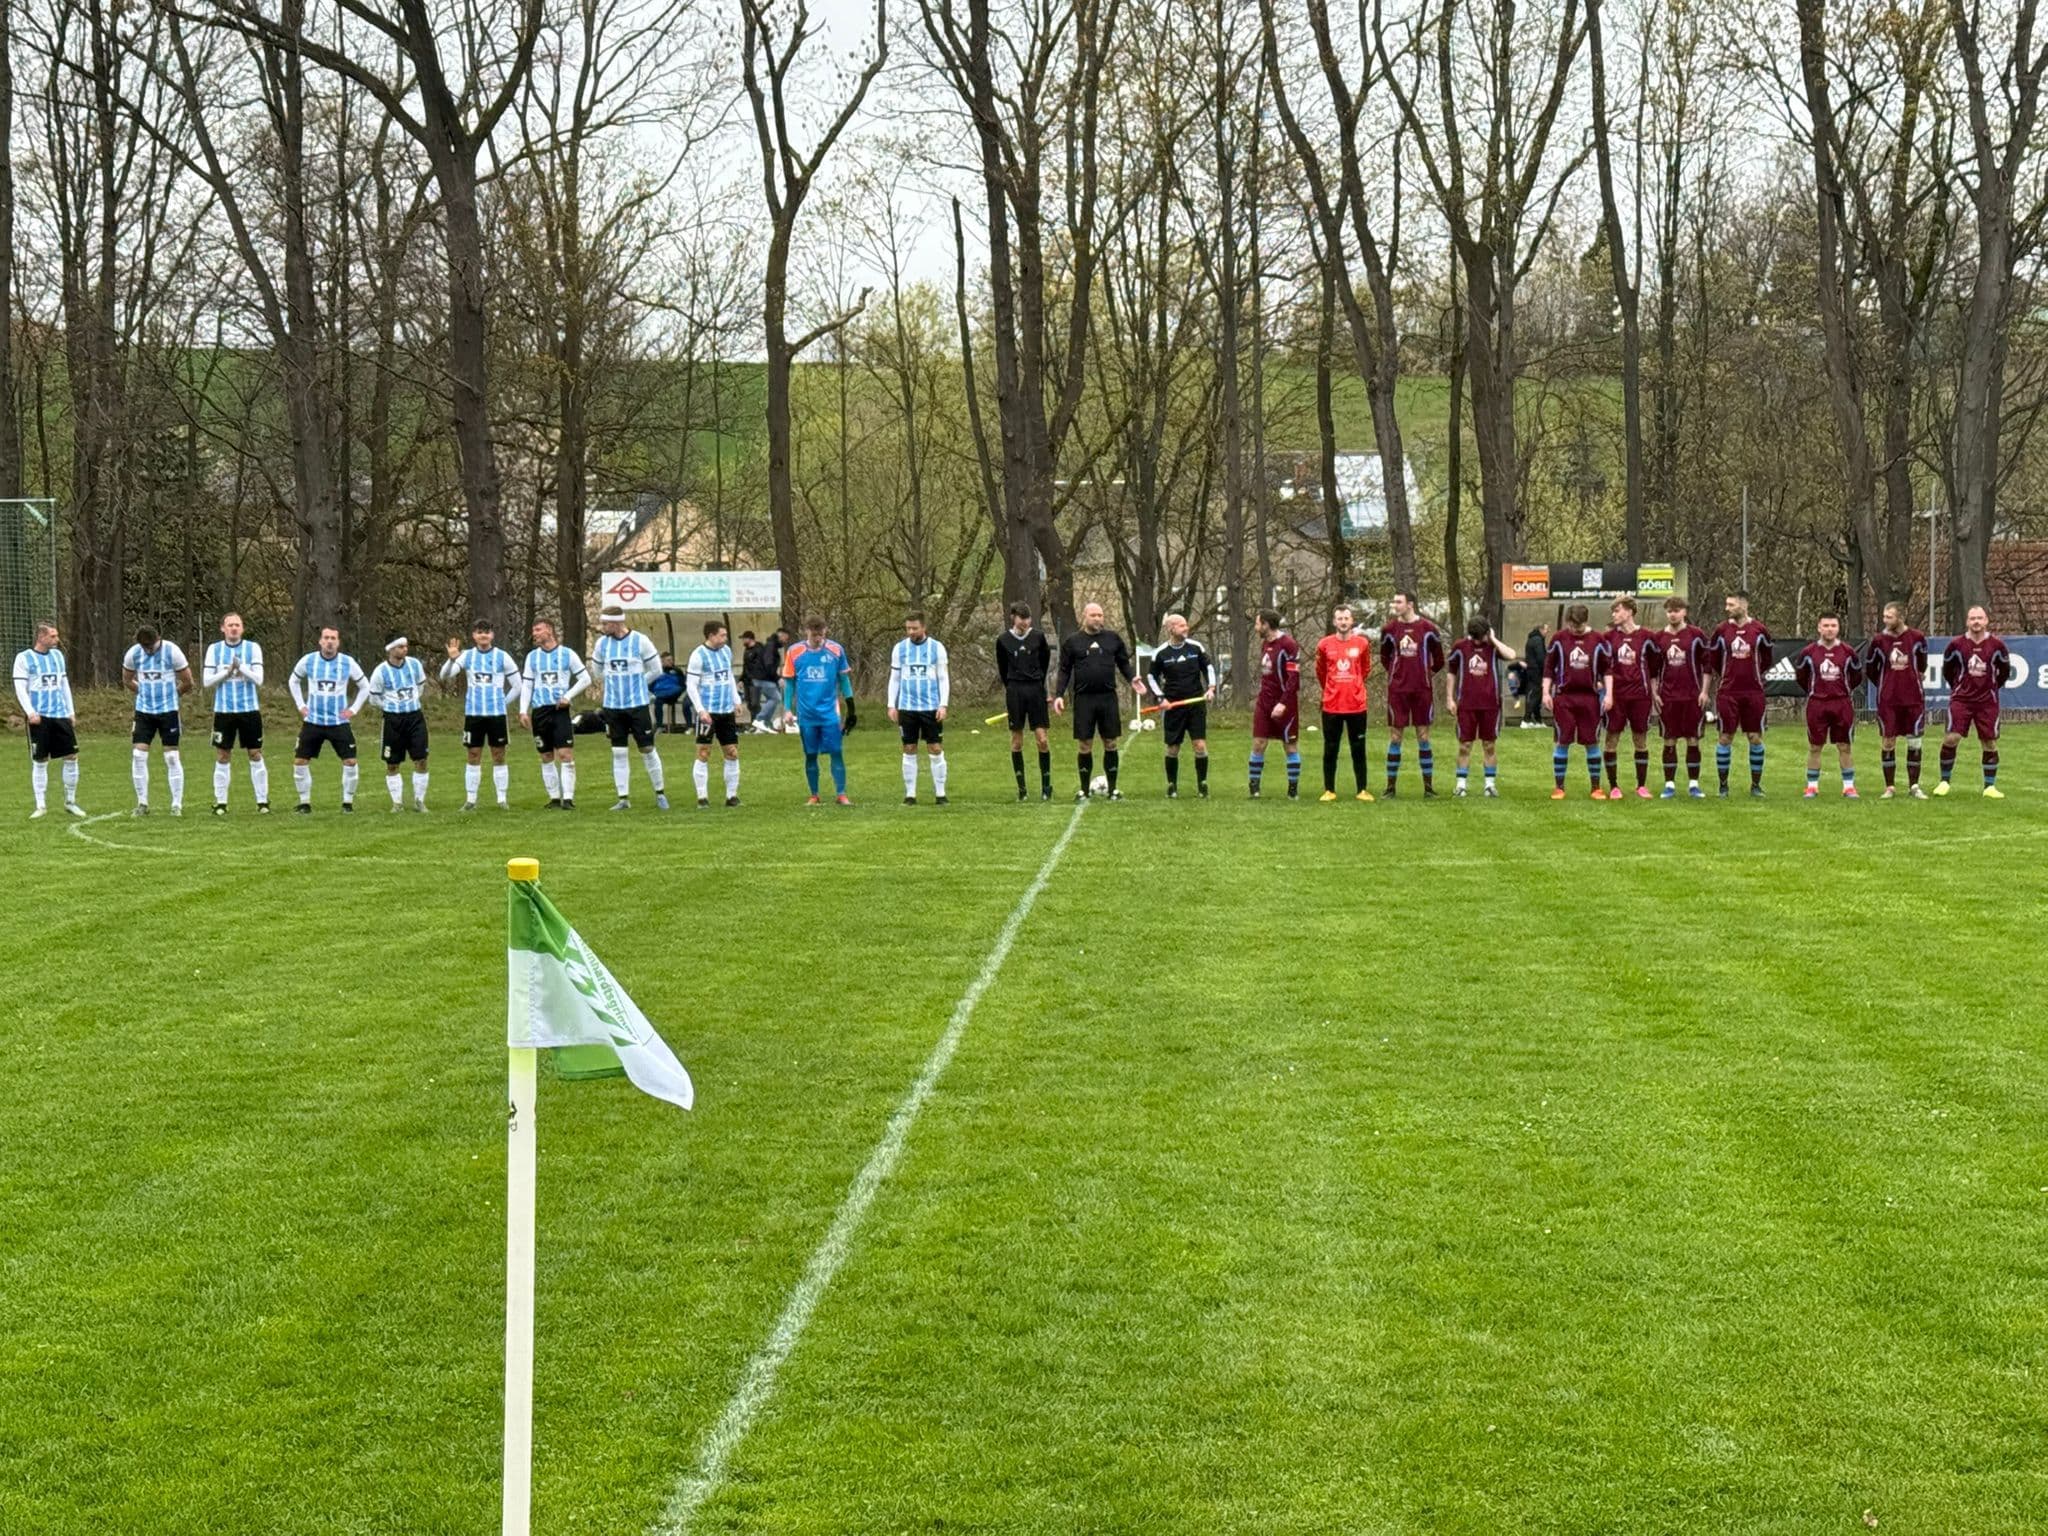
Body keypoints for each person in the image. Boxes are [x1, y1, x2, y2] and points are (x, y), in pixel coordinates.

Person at [1054, 601, 1138, 800]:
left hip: (1107, 698)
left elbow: (1123, 663)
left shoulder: (1112, 639)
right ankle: (1084, 790)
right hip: (1084, 699)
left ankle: (1113, 790)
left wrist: (1132, 679)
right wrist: (1059, 695)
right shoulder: (1073, 642)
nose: (1098, 618)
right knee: (1085, 744)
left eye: (1100, 615)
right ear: (1084, 616)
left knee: (1110, 742)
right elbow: (1064, 670)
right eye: (1093, 615)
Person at [592, 606, 669, 811]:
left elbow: (656, 669)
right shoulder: (602, 644)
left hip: (637, 705)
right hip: (613, 706)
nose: (603, 627)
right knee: (618, 751)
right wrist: (613, 681)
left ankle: (660, 793)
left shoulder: (640, 641)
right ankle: (623, 798)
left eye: (606, 623)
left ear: (616, 623)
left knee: (647, 748)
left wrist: (639, 683)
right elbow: (597, 671)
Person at [288, 625, 371, 814]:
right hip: (313, 721)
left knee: (350, 762)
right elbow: (293, 680)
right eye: (326, 638)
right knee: (300, 761)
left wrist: (353, 709)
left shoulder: (347, 662)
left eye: (333, 638)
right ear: (320, 641)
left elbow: (365, 686)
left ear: (338, 642)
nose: (329, 642)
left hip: (339, 722)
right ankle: (304, 803)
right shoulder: (308, 660)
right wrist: (301, 705)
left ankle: (347, 803)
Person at [442, 620, 520, 810]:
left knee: (498, 755)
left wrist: (502, 703)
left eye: (486, 632)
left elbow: (517, 686)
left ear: (492, 635)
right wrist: (451, 659)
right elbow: (445, 676)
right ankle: (471, 800)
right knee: (473, 754)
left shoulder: (502, 656)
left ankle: (502, 799)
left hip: (496, 716)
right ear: (474, 636)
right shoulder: (467, 656)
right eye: (479, 632)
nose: (483, 635)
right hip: (474, 715)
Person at [1936, 606, 2011, 799]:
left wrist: (1991, 688)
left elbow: (2004, 672)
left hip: (1987, 702)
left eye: (1979, 618)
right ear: (1967, 622)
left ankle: (1989, 787)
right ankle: (1944, 781)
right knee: (1951, 738)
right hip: (1961, 700)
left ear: (1986, 621)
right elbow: (1948, 670)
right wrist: (1959, 687)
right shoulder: (1956, 645)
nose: (1976, 622)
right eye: (1972, 618)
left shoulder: (1997, 646)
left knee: (1989, 742)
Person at [13, 620, 84, 819]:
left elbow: (64, 685)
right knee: (40, 760)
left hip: (60, 714)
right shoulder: (24, 658)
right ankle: (41, 805)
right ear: (41, 637)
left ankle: (70, 802)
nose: (57, 639)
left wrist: (70, 711)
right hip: (40, 717)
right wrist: (30, 712)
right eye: (53, 636)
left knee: (71, 756)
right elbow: (20, 688)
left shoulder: (58, 656)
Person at [121, 624, 194, 816]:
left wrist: (173, 695)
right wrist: (143, 693)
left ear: (158, 639)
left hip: (168, 711)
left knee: (171, 757)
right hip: (144, 712)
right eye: (145, 647)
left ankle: (176, 804)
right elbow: (127, 679)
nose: (148, 650)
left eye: (151, 646)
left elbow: (188, 681)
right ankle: (142, 803)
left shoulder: (172, 652)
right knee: (138, 755)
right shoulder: (133, 654)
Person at [782, 615, 855, 804]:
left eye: (821, 635)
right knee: (810, 754)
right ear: (807, 632)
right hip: (807, 714)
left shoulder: (836, 650)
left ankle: (841, 794)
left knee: (836, 751)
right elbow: (789, 683)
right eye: (814, 635)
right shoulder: (794, 652)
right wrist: (787, 709)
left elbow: (844, 680)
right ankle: (814, 794)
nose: (818, 639)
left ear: (825, 631)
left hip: (830, 713)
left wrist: (851, 708)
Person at [519, 618, 591, 809]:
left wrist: (568, 696)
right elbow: (527, 685)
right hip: (540, 711)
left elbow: (585, 679)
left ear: (549, 630)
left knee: (565, 754)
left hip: (559, 711)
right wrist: (523, 711)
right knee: (546, 755)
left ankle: (568, 798)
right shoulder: (532, 657)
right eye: (534, 630)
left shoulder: (567, 654)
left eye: (538, 629)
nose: (534, 633)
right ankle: (554, 798)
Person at [1378, 590, 1445, 795]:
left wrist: (1425, 674)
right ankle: (1390, 788)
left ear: (1410, 604)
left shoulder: (1428, 629)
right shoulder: (1389, 629)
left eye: (1399, 602)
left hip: (1421, 690)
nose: (1395, 605)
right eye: (1394, 601)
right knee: (1395, 737)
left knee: (1423, 736)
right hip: (1398, 691)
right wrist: (1396, 675)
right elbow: (1384, 657)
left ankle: (1428, 788)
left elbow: (1439, 659)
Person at [1707, 590, 1772, 797]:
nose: (1727, 608)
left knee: (1754, 737)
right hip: (1728, 692)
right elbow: (1714, 659)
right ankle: (1723, 786)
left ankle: (1756, 786)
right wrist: (1729, 674)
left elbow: (1766, 659)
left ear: (1743, 605)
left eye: (1731, 605)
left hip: (1753, 692)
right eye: (1726, 604)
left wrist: (1752, 675)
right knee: (1725, 737)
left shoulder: (1760, 630)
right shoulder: (1721, 630)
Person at [204, 612, 269, 814]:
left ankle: (262, 802)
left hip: (249, 710)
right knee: (223, 754)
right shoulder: (214, 649)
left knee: (255, 753)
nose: (234, 628)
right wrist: (227, 672)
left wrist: (241, 668)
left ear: (242, 628)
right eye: (230, 625)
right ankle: (221, 803)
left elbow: (259, 679)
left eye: (237, 625)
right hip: (224, 711)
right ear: (222, 628)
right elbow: (206, 681)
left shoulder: (253, 648)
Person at [1146, 613, 1216, 799]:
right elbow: (1151, 677)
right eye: (1182, 625)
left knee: (1199, 745)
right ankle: (1172, 785)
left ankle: (1202, 785)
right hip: (1173, 706)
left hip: (1196, 704)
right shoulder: (1161, 653)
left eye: (1186, 625)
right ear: (1171, 629)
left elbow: (1208, 668)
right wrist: (1161, 698)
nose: (1186, 628)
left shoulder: (1196, 647)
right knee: (1173, 748)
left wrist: (1211, 688)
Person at [1864, 602, 1929, 800]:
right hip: (1888, 701)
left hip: (1913, 699)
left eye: (1889, 616)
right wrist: (1886, 685)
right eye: (1884, 616)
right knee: (1888, 741)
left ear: (1901, 616)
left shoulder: (1917, 638)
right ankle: (1889, 787)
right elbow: (1871, 669)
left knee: (1915, 741)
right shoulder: (1878, 641)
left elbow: (1922, 665)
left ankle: (1914, 786)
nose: (1885, 620)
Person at [1545, 605, 1610, 799]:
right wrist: (1545, 692)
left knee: (1592, 742)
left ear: (1586, 621)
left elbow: (1607, 670)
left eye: (1579, 626)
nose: (1576, 629)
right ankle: (1559, 787)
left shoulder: (1598, 640)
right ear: (1567, 622)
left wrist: (1609, 694)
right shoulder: (1558, 639)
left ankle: (1596, 787)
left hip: (1590, 698)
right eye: (1572, 625)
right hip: (1564, 697)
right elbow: (1548, 668)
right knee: (1562, 741)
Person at [1794, 615, 1863, 799]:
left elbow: (1856, 676)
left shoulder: (1848, 652)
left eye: (1833, 625)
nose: (1829, 629)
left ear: (1838, 628)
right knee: (1815, 746)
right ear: (1819, 628)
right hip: (1817, 704)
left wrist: (1844, 690)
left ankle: (1848, 787)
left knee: (1844, 745)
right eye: (1826, 625)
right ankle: (1812, 787)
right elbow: (1801, 676)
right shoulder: (1808, 652)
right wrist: (1814, 691)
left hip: (1842, 703)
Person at [1447, 619, 1518, 796]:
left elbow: (1511, 655)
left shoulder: (1493, 647)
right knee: (1465, 745)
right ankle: (1461, 785)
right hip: (1466, 704)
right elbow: (1451, 673)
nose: (1480, 641)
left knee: (1489, 745)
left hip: (1490, 704)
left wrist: (1493, 639)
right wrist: (1450, 698)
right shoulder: (1460, 647)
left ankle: (1490, 785)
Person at [889, 612, 951, 805]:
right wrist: (891, 704)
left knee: (935, 747)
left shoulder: (936, 648)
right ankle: (910, 795)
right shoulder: (900, 649)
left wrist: (943, 704)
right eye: (908, 628)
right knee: (909, 747)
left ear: (923, 627)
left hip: (930, 707)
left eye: (914, 628)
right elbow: (895, 678)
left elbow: (943, 678)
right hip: (907, 707)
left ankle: (940, 794)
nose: (911, 631)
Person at [1312, 604, 1371, 802]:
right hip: (1332, 705)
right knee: (1330, 748)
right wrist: (1331, 688)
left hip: (1356, 705)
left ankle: (1362, 789)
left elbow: (1365, 669)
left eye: (1346, 618)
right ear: (1334, 621)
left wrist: (1354, 685)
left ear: (1352, 621)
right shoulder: (1324, 644)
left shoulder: (1362, 643)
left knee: (1358, 748)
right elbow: (1321, 671)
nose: (1343, 622)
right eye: (1340, 619)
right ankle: (1329, 790)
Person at [995, 602, 1054, 800]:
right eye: (1022, 618)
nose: (1025, 622)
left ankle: (1046, 787)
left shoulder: (1038, 637)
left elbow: (1044, 662)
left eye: (1028, 618)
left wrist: (1040, 686)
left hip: (1035, 690)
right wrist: (1013, 687)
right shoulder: (1003, 640)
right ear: (1013, 617)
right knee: (1017, 741)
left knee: (1042, 739)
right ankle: (1022, 790)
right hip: (1015, 691)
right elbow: (1003, 669)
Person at [1601, 598, 1658, 800]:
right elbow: (1602, 665)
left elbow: (1655, 666)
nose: (1614, 614)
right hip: (1617, 697)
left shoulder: (1647, 637)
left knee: (1640, 739)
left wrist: (1654, 691)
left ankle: (1641, 785)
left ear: (1629, 612)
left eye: (1617, 610)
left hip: (1640, 696)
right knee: (1611, 739)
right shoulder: (1608, 638)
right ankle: (1614, 786)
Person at [368, 635, 431, 811]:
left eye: (405, 646)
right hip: (393, 720)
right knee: (392, 763)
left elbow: (420, 685)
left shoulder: (414, 665)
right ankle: (397, 803)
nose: (404, 649)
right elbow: (374, 698)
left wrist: (412, 700)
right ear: (390, 649)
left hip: (415, 718)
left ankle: (419, 801)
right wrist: (389, 706)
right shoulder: (380, 671)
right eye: (400, 647)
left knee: (421, 759)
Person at [1654, 598, 1710, 799]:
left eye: (1676, 610)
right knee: (1669, 740)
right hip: (1668, 697)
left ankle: (1694, 785)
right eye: (1669, 611)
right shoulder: (1659, 638)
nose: (1672, 614)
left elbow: (1707, 666)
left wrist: (1704, 691)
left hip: (1692, 697)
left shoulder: (1696, 635)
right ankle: (1669, 785)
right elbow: (1653, 670)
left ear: (1684, 612)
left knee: (1692, 739)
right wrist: (1654, 693)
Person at [686, 619, 742, 807]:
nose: (725, 638)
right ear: (711, 636)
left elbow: (729, 677)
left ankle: (732, 796)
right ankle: (702, 797)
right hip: (708, 713)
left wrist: (736, 700)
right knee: (703, 752)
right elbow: (691, 685)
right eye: (722, 635)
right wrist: (700, 710)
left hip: (726, 711)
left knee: (732, 752)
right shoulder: (698, 655)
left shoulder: (726, 652)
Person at [1248, 608, 1303, 798]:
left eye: (1257, 623)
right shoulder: (1265, 644)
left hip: (1285, 703)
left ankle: (1293, 790)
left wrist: (1283, 703)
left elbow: (1294, 678)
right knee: (1258, 743)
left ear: (1266, 624)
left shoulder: (1288, 645)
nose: (1256, 627)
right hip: (1264, 702)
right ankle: (1254, 788)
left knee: (1290, 746)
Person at [742, 630, 779, 733]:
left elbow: (762, 665)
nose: (743, 641)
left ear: (750, 639)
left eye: (744, 639)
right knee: (750, 703)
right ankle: (758, 723)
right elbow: (745, 666)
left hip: (757, 679)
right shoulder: (747, 650)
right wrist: (742, 679)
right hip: (749, 680)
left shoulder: (759, 649)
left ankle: (759, 722)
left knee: (756, 703)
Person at [649, 652, 687, 734]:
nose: (671, 662)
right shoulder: (658, 672)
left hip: (673, 696)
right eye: (668, 660)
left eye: (671, 660)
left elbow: (683, 686)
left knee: (673, 691)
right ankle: (659, 726)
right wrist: (655, 692)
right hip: (660, 696)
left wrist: (676, 692)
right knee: (657, 702)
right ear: (662, 661)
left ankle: (658, 695)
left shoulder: (677, 671)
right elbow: (650, 685)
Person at [1521, 623, 1549, 727]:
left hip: (1533, 671)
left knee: (1537, 695)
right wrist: (1546, 670)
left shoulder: (1533, 639)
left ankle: (1538, 720)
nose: (1547, 631)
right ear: (1541, 629)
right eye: (1546, 629)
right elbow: (1541, 657)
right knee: (1534, 694)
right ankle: (1526, 720)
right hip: (1536, 672)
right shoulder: (1537, 640)